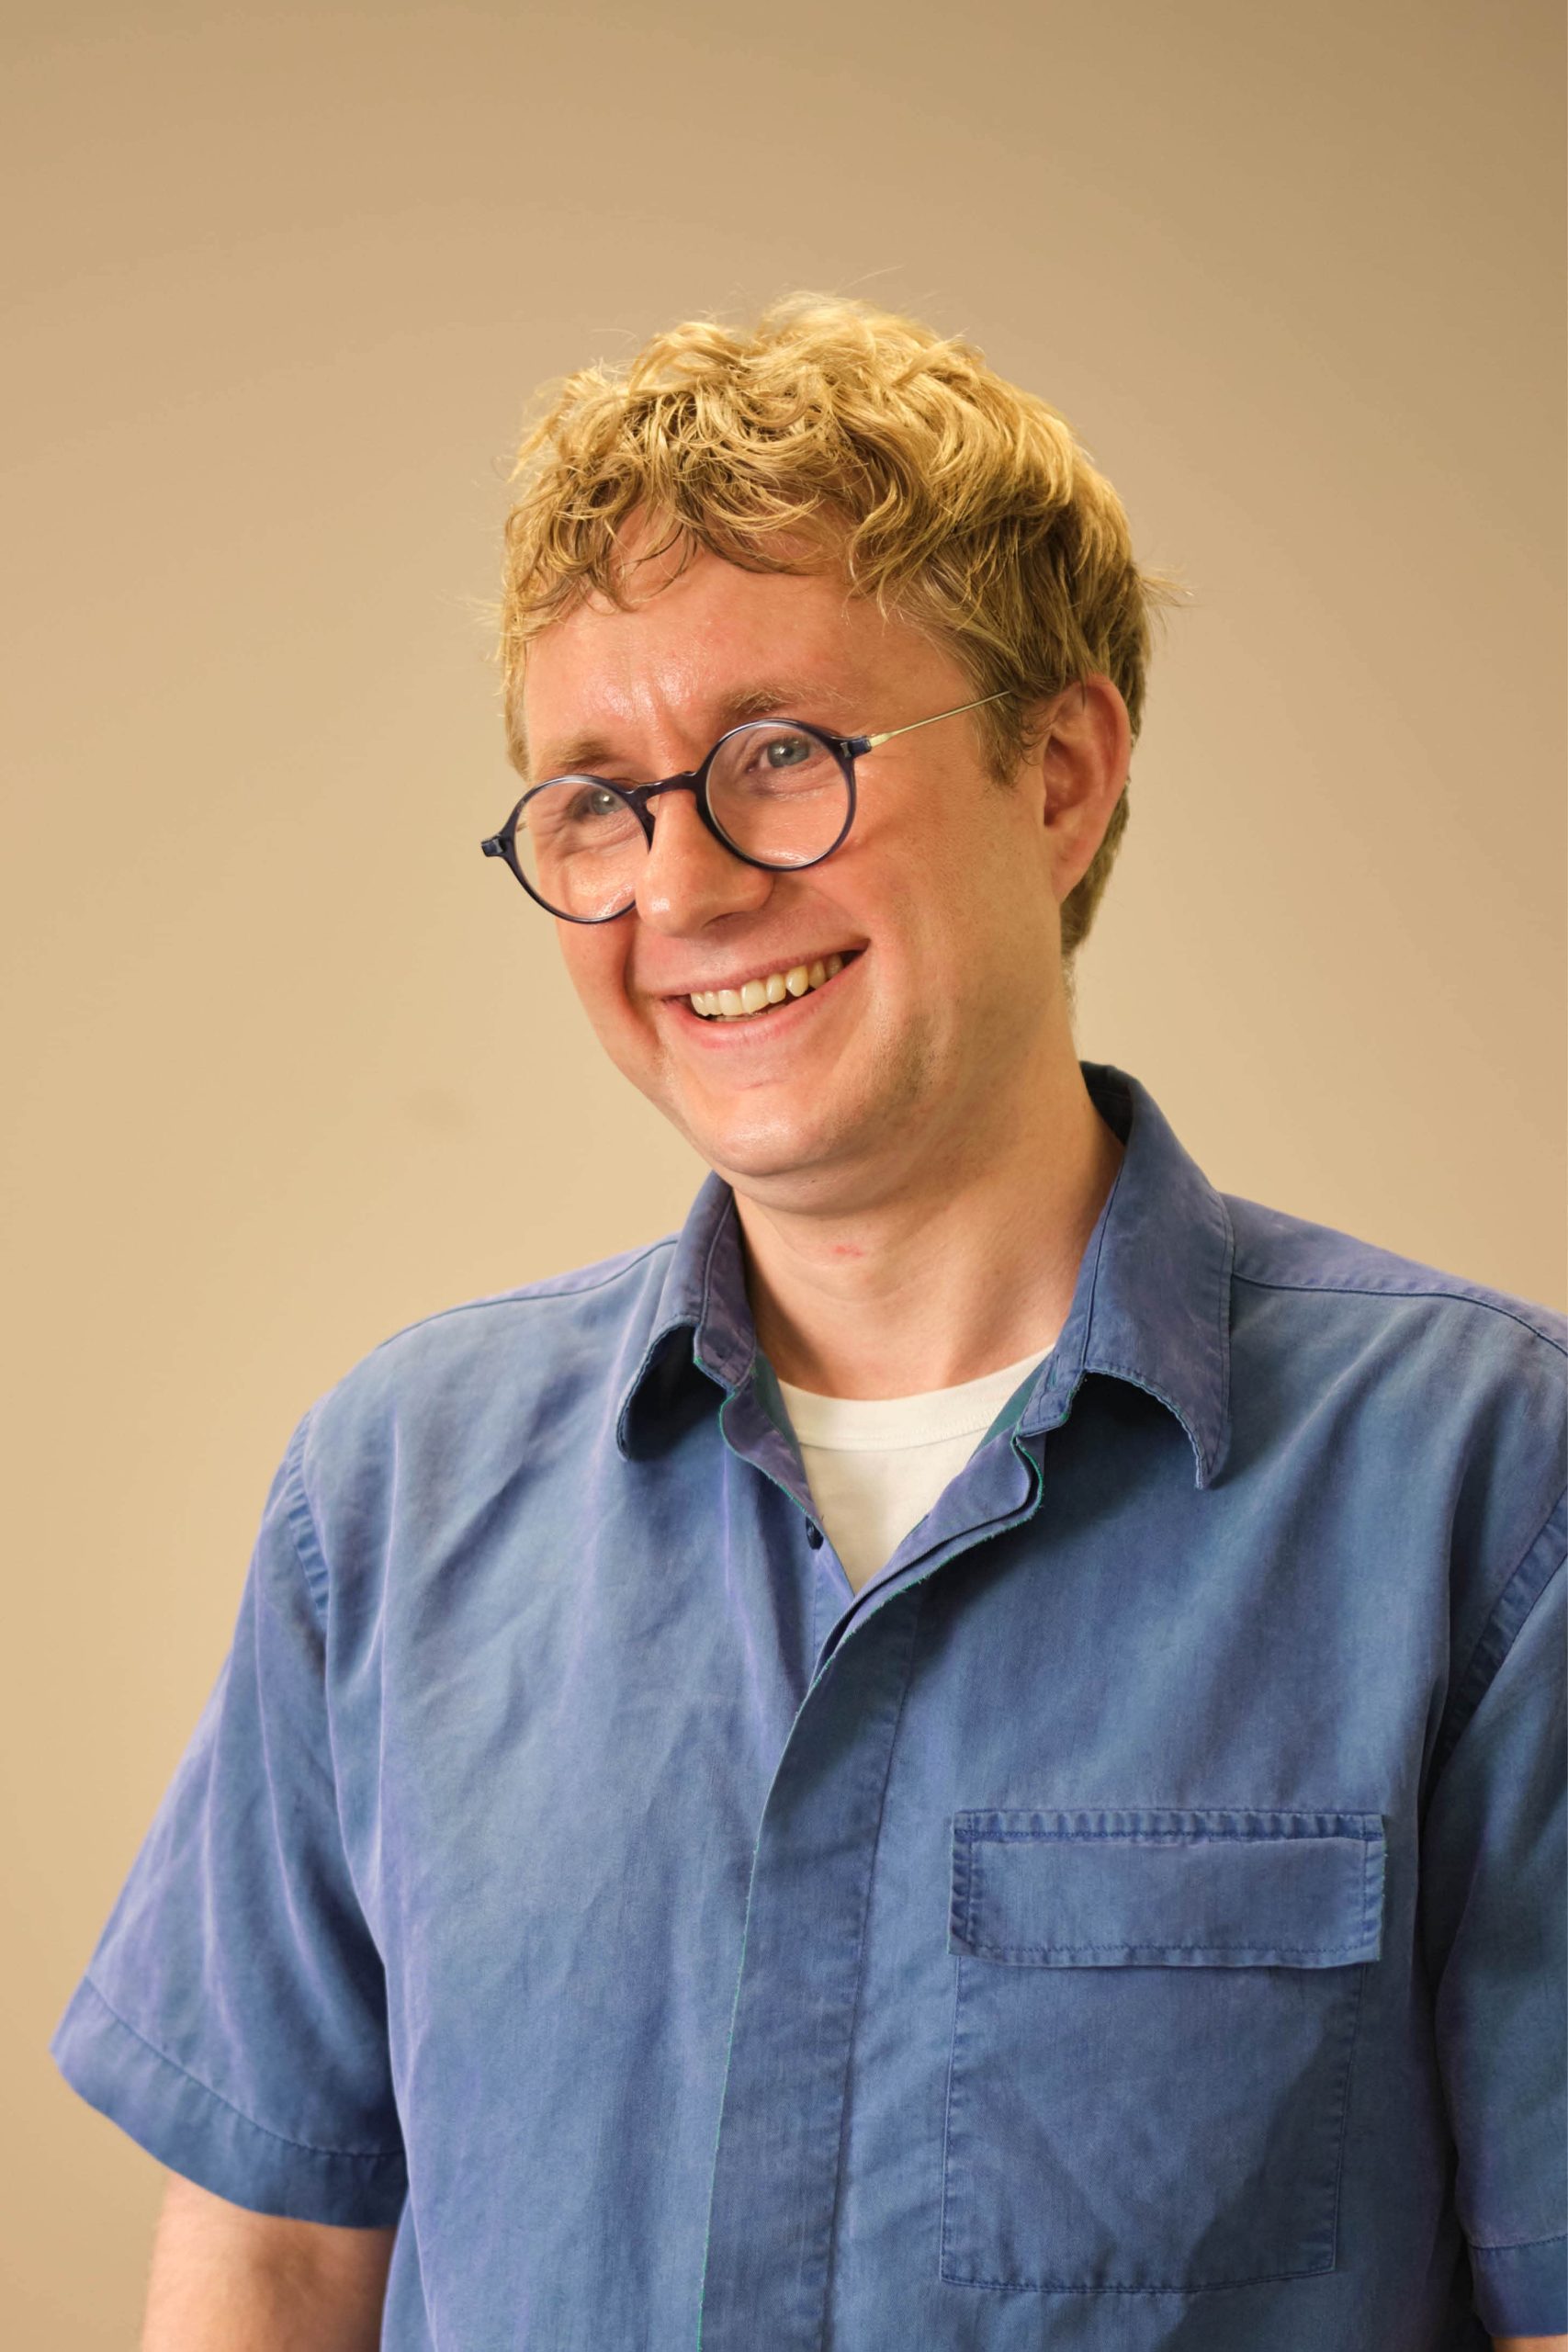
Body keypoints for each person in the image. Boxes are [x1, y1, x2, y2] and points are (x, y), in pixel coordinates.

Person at [51, 296, 1565, 2351]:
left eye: (780, 756)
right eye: (593, 794)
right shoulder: (390, 1495)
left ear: (1060, 773)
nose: (677, 883)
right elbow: (270, 2263)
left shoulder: (1484, 1488)